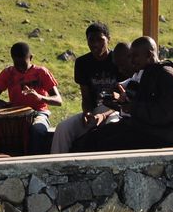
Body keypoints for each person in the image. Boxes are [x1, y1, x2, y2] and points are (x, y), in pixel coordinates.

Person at [72, 36, 173, 152]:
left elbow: (169, 112)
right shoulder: (147, 73)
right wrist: (119, 105)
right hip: (144, 128)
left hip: (161, 135)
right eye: (130, 56)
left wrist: (132, 108)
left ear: (149, 55)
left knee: (103, 145)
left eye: (135, 56)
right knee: (90, 138)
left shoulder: (168, 76)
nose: (131, 61)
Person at [50, 22, 124, 153]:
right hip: (95, 111)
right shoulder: (82, 63)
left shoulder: (118, 59)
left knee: (112, 127)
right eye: (91, 40)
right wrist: (87, 113)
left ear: (108, 39)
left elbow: (123, 100)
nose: (95, 44)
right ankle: (56, 168)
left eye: (100, 40)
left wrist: (103, 115)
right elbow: (86, 97)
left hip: (116, 110)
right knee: (63, 128)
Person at [0, 42, 62, 154]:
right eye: (16, 64)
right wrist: (5, 105)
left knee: (37, 130)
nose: (20, 68)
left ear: (31, 58)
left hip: (39, 113)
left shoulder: (41, 72)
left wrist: (39, 97)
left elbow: (58, 100)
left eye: (23, 64)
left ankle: (34, 162)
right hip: (15, 113)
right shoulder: (8, 73)